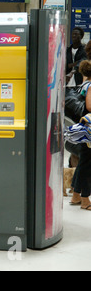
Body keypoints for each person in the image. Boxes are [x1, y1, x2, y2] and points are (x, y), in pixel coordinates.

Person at [70, 60, 91, 211]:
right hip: (89, 128)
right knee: (87, 164)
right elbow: (90, 106)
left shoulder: (83, 84)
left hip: (83, 126)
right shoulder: (90, 85)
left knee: (84, 160)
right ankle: (85, 199)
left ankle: (76, 195)